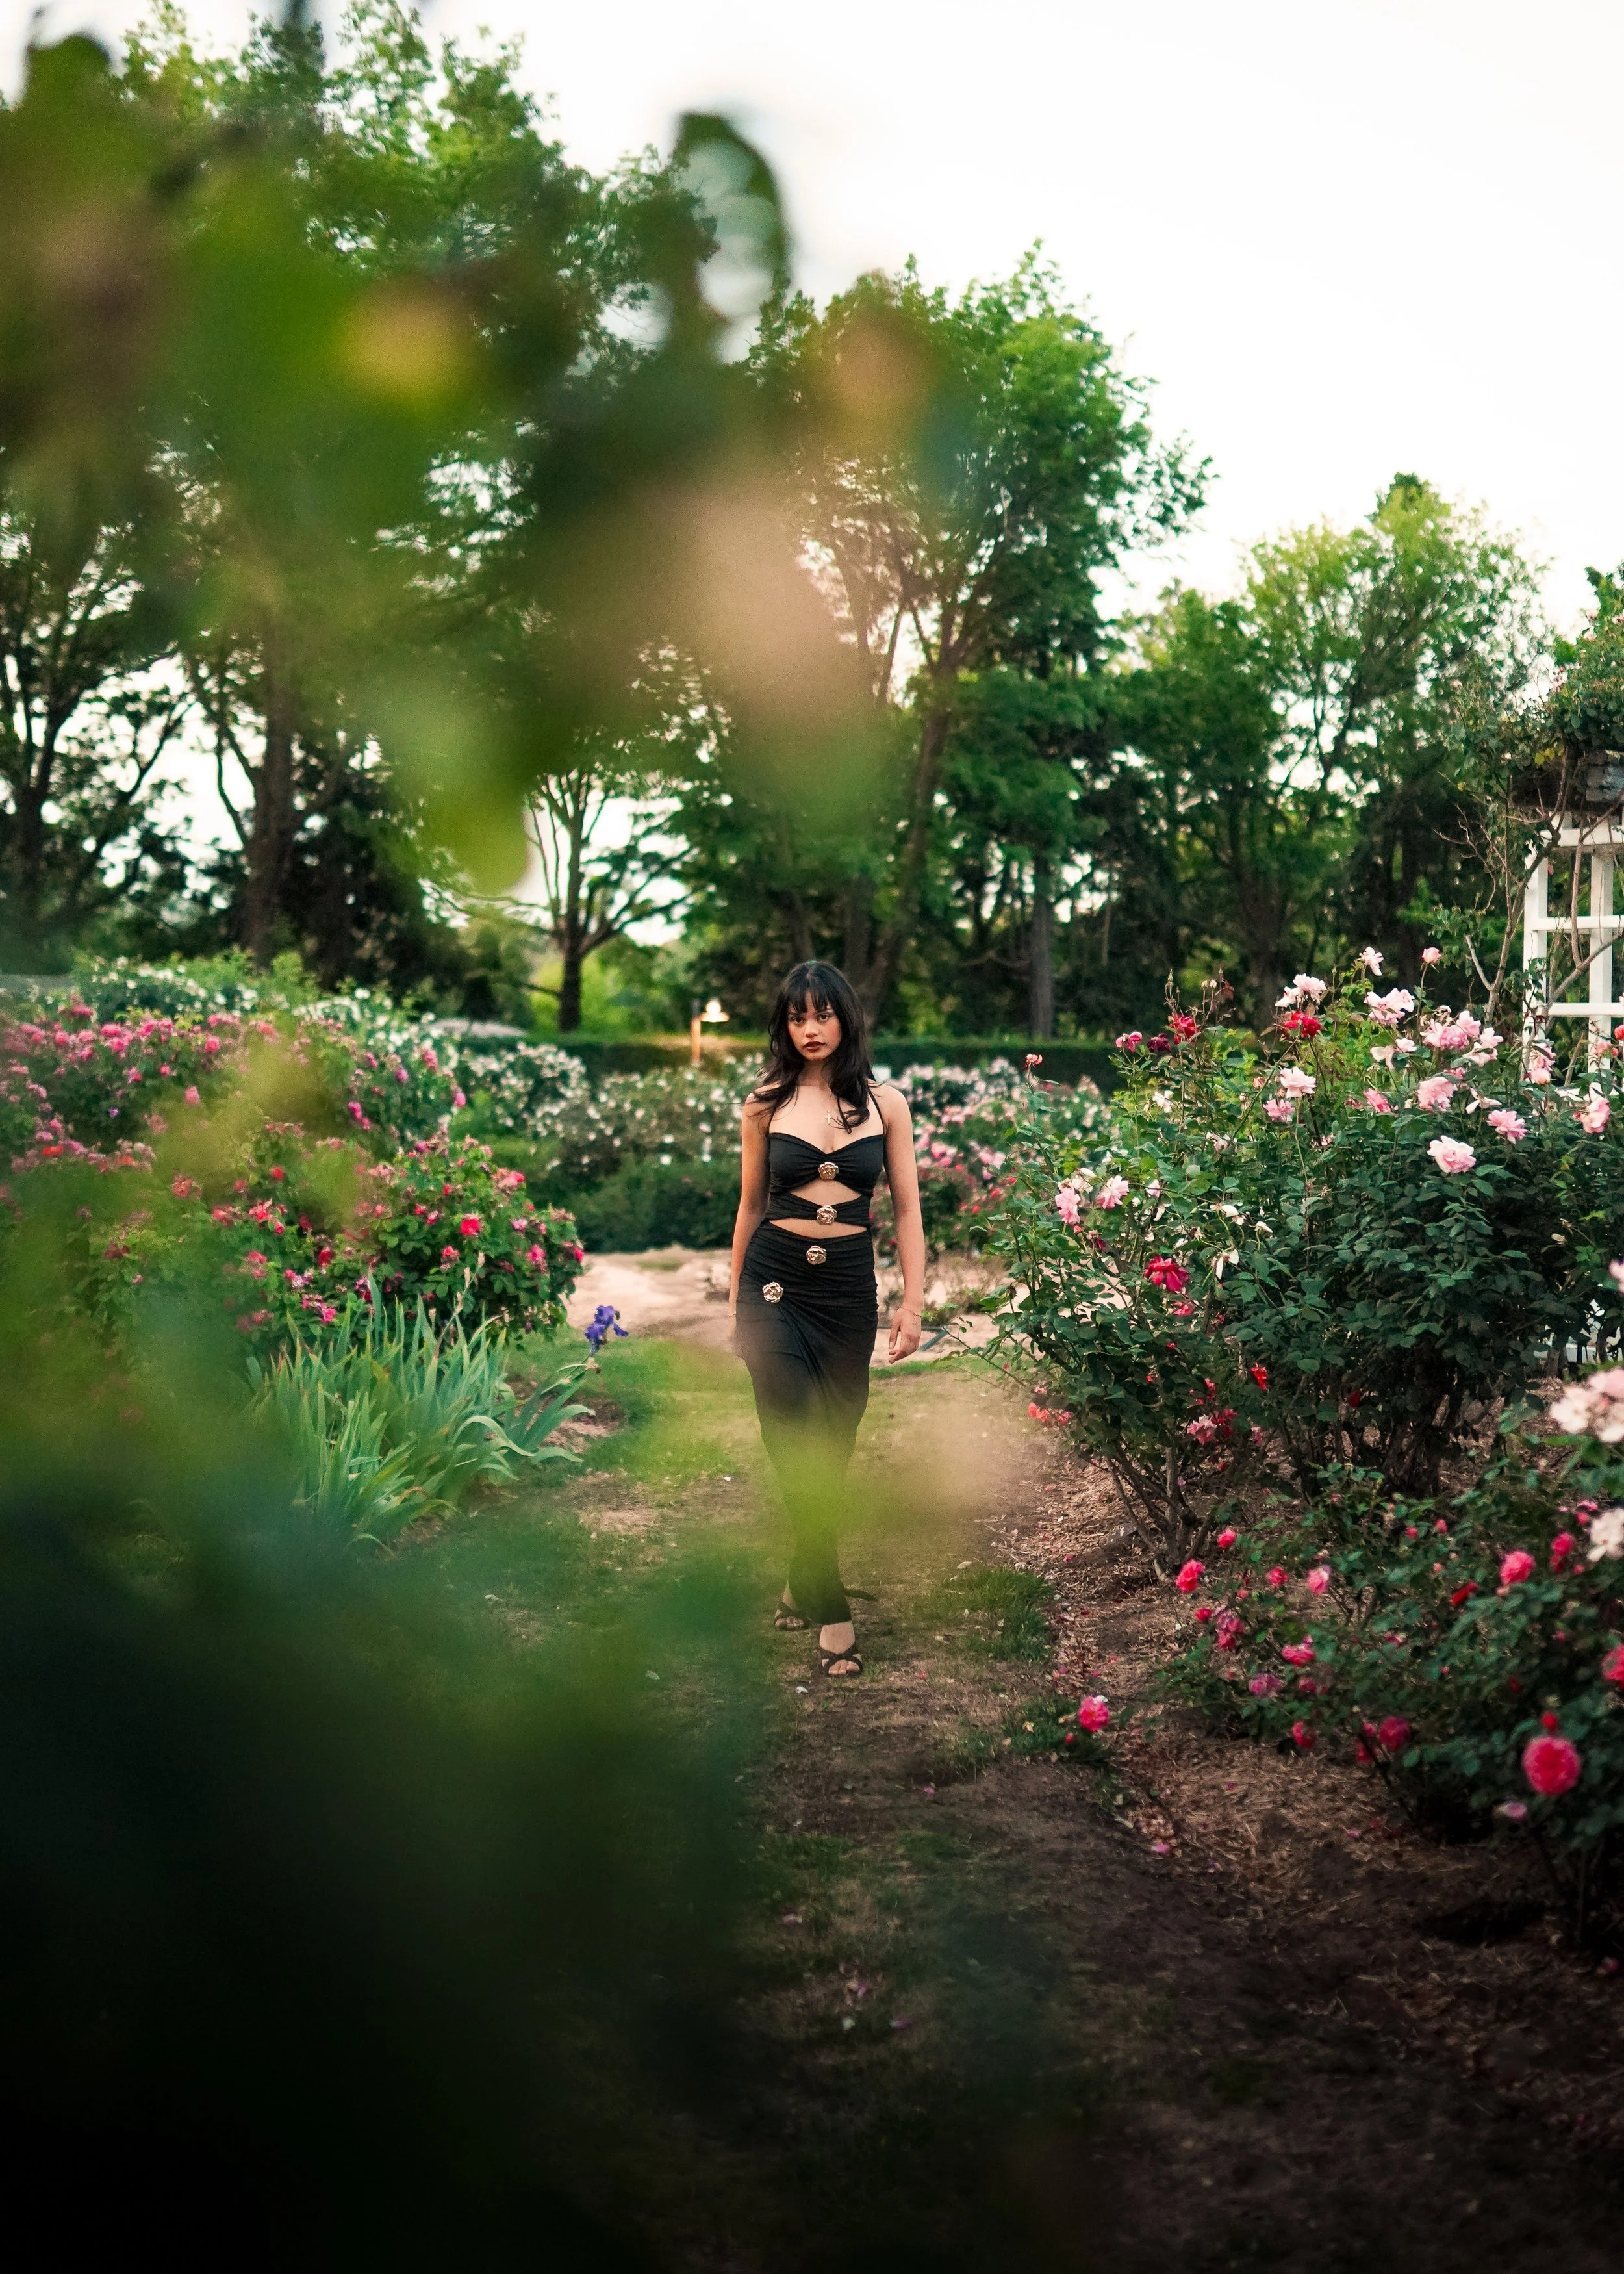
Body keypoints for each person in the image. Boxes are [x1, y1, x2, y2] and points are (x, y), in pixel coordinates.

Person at [728, 962, 926, 1678]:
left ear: (845, 1019)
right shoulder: (763, 1104)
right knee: (795, 1436)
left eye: (822, 1015)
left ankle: (797, 1574)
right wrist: (733, 1306)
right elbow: (750, 1207)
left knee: (833, 1446)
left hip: (847, 1295)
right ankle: (833, 1605)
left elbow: (906, 1208)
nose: (809, 1029)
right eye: (795, 1017)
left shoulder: (886, 1104)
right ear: (784, 1026)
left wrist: (912, 1300)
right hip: (772, 1289)